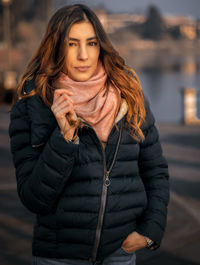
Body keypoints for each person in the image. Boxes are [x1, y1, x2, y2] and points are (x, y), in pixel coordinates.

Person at [9, 4, 170, 265]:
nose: (83, 55)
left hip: (119, 252)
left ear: (101, 46)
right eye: (72, 44)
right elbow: (33, 197)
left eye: (91, 43)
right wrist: (64, 138)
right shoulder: (32, 105)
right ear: (57, 47)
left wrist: (151, 230)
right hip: (58, 256)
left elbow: (156, 171)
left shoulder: (129, 96)